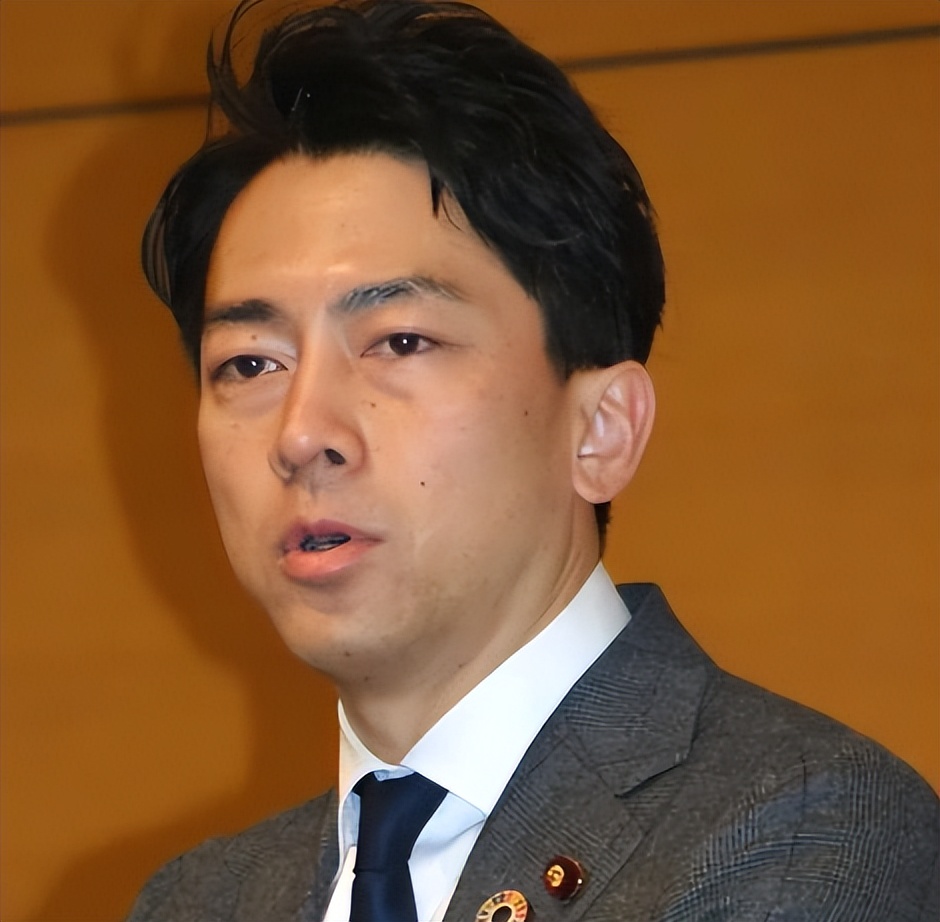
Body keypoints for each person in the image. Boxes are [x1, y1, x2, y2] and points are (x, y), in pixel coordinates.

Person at [127, 0, 938, 919]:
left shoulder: (804, 827)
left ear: (600, 431)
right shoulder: (194, 901)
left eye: (399, 342)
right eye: (250, 364)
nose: (302, 433)